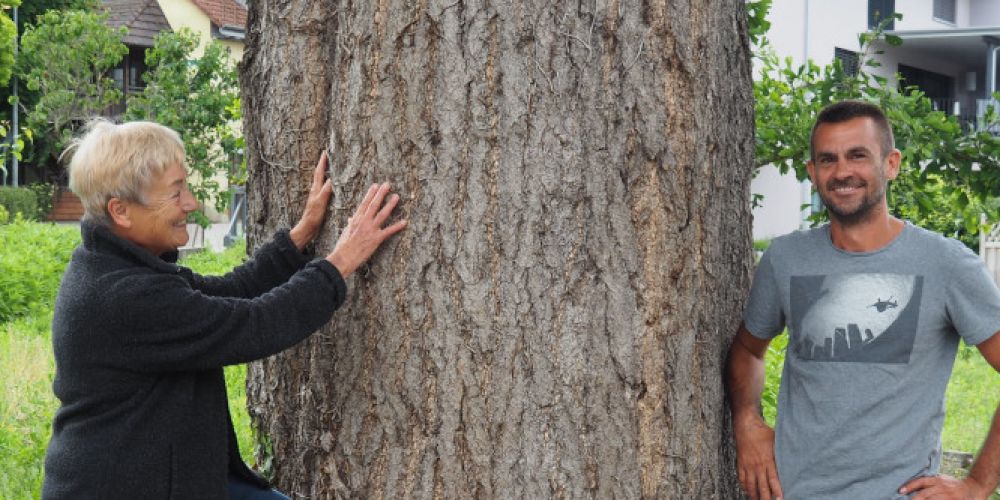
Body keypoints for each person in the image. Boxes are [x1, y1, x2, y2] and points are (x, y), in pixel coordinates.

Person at [41, 119, 407, 499]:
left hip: (174, 477)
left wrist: (298, 238)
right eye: (175, 192)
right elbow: (253, 325)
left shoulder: (114, 265)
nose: (191, 203)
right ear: (121, 211)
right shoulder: (123, 296)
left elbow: (228, 293)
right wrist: (340, 262)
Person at [726, 100, 1000, 499]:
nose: (842, 172)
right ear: (812, 173)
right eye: (827, 159)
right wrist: (747, 421)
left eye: (858, 155)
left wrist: (977, 485)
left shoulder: (947, 264)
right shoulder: (785, 259)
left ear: (891, 164)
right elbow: (748, 350)